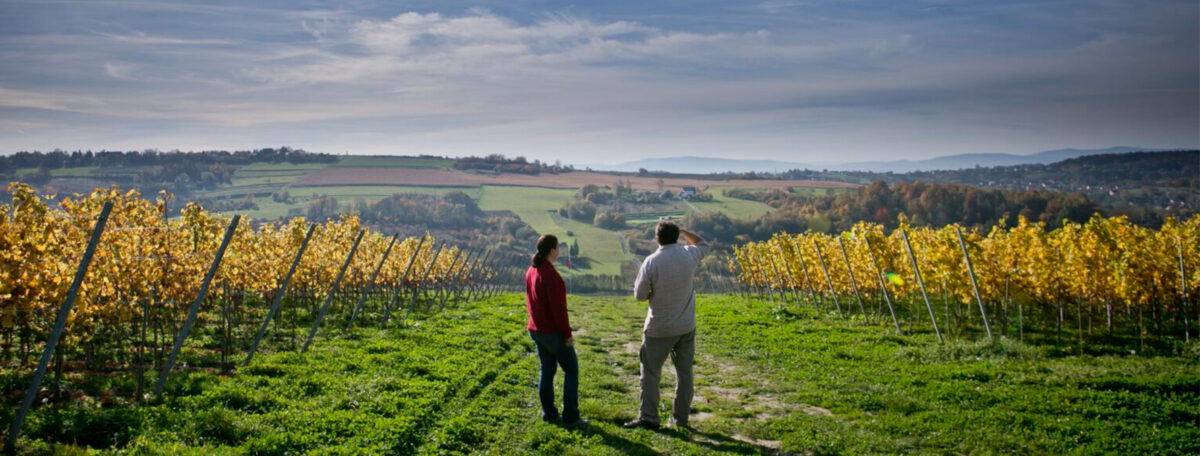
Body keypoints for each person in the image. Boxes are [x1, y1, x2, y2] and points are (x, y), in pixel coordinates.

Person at [624, 220, 707, 430]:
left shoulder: (651, 261)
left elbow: (640, 296)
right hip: (686, 326)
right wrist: (684, 231)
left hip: (658, 328)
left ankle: (649, 418)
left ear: (657, 239)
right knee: (685, 374)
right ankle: (680, 419)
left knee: (651, 374)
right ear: (677, 236)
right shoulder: (689, 254)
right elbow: (703, 243)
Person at [524, 234, 584, 427]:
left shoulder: (531, 271)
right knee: (571, 370)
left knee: (547, 370)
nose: (559, 250)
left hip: (537, 329)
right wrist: (567, 335)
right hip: (552, 332)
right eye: (558, 247)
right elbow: (559, 311)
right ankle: (571, 416)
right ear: (552, 251)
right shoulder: (550, 276)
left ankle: (549, 414)